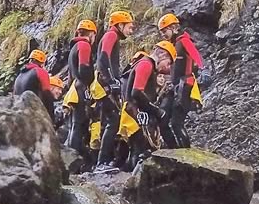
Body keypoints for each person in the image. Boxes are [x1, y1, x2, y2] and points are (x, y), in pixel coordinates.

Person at [117, 42, 176, 169]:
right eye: (169, 63)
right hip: (135, 112)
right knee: (140, 149)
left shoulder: (147, 65)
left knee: (137, 148)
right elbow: (137, 91)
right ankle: (136, 181)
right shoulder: (146, 64)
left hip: (132, 112)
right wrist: (157, 111)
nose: (168, 68)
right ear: (162, 55)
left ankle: (131, 176)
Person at [94, 9, 134, 168]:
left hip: (104, 82)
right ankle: (102, 162)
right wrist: (111, 81)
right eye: (129, 26)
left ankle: (108, 160)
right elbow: (103, 57)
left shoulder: (112, 35)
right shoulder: (111, 35)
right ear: (120, 25)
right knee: (113, 121)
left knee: (110, 121)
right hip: (105, 84)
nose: (131, 30)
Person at [160, 21, 206, 147]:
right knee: (164, 119)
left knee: (176, 123)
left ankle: (186, 153)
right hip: (175, 86)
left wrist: (203, 69)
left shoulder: (184, 41)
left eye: (165, 31)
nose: (163, 34)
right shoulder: (173, 45)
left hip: (185, 85)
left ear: (173, 28)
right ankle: (175, 150)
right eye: (162, 32)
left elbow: (196, 55)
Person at [62, 18, 98, 156]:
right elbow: (84, 68)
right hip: (81, 88)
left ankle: (72, 156)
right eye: (94, 35)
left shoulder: (73, 49)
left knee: (74, 125)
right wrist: (90, 83)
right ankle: (74, 157)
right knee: (79, 124)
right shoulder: (84, 45)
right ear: (90, 34)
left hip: (74, 88)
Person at [12, 48, 55, 114]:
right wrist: (51, 114)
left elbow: (14, 95)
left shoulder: (19, 76)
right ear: (42, 63)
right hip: (34, 112)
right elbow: (46, 93)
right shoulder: (40, 71)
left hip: (19, 112)